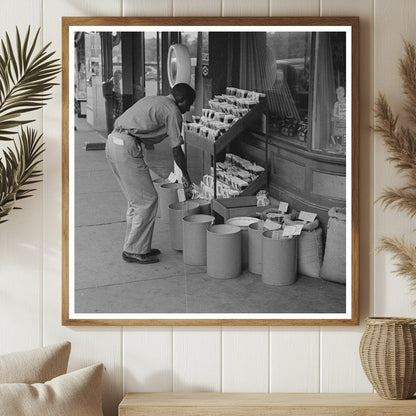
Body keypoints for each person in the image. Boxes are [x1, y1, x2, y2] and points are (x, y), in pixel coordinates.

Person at [105, 83, 196, 264]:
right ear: (181, 100)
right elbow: (177, 150)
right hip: (125, 146)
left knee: (136, 201)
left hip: (113, 141)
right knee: (147, 200)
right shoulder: (173, 112)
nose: (188, 109)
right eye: (189, 104)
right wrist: (186, 176)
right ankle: (134, 250)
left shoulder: (156, 100)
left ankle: (135, 246)